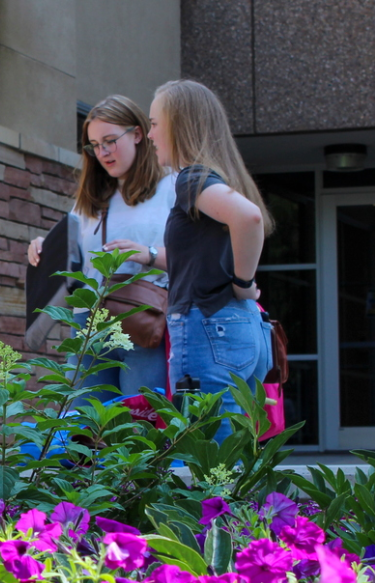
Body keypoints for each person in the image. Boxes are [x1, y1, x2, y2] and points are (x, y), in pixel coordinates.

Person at [147, 79, 274, 444]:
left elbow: (248, 218)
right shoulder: (215, 179)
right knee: (237, 451)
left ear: (179, 124)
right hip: (240, 328)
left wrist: (243, 283)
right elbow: (200, 258)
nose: (151, 135)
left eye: (155, 124)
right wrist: (147, 255)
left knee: (207, 454)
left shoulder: (193, 179)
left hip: (208, 327)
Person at [28, 95, 176, 402]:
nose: (102, 152)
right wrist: (44, 247)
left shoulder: (171, 187)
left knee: (139, 427)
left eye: (110, 140)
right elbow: (75, 253)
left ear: (137, 134)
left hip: (145, 318)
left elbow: (194, 258)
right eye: (94, 145)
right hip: (89, 323)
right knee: (81, 427)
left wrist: (145, 253)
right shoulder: (92, 197)